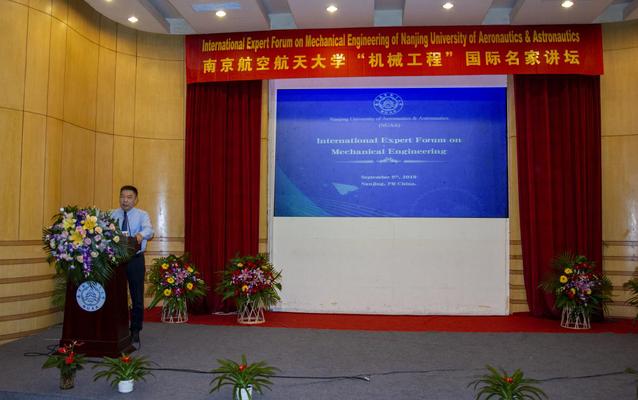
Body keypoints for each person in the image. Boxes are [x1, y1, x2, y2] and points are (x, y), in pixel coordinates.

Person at [111, 185, 154, 346]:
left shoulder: (142, 215)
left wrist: (140, 235)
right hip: (115, 261)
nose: (125, 200)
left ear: (136, 200)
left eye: (129, 197)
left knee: (137, 296)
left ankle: (135, 329)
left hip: (135, 260)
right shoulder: (111, 214)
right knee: (115, 295)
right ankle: (116, 328)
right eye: (122, 196)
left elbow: (150, 230)